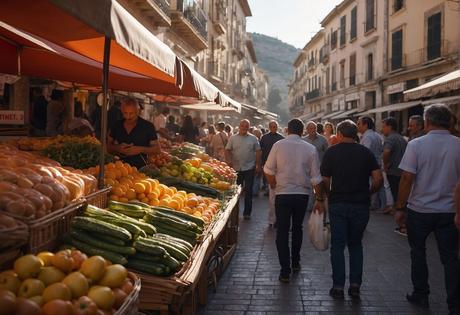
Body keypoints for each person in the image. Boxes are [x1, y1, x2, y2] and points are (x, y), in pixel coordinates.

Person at [394, 104, 460, 314]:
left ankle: (421, 294)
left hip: (420, 210)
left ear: (427, 122)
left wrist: (400, 207)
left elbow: (407, 178)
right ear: (448, 121)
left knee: (418, 252)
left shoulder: (416, 145)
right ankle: (454, 303)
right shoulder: (458, 144)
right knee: (450, 258)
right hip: (449, 211)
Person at [320, 120, 383, 300]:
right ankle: (355, 285)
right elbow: (378, 178)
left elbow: (324, 178)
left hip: (338, 203)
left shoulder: (332, 152)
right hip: (360, 204)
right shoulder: (366, 152)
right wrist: (369, 192)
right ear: (355, 134)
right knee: (356, 245)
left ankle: (338, 286)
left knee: (337, 246)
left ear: (339, 134)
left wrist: (329, 193)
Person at [264, 118, 325, 283]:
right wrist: (320, 198)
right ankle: (296, 262)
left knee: (282, 231)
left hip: (282, 194)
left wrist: (274, 185)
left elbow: (268, 170)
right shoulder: (310, 148)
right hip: (302, 195)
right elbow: (316, 178)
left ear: (287, 130)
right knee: (297, 228)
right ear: (303, 130)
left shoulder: (278, 145)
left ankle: (285, 270)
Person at [108, 97, 160, 168]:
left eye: (131, 113)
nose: (128, 117)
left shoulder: (148, 126)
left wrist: (140, 149)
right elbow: (107, 146)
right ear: (122, 111)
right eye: (125, 113)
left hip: (141, 169)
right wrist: (117, 148)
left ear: (138, 111)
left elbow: (157, 149)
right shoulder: (117, 125)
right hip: (119, 169)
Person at [226, 119, 262, 220]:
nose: (244, 128)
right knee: (235, 192)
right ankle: (234, 213)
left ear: (248, 127)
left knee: (248, 191)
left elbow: (258, 151)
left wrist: (258, 165)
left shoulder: (253, 139)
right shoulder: (233, 138)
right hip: (236, 168)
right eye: (242, 125)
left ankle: (247, 213)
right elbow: (227, 149)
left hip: (249, 168)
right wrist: (228, 161)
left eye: (246, 126)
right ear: (239, 126)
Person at [357, 116, 386, 211]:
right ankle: (381, 205)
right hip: (377, 163)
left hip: (370, 165)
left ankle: (375, 204)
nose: (358, 126)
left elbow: (366, 152)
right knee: (379, 185)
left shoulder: (367, 137)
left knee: (372, 185)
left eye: (359, 124)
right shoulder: (376, 135)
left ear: (365, 125)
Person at [260, 121, 284, 227]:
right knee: (272, 194)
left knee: (275, 194)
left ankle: (277, 219)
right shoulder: (264, 138)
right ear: (269, 127)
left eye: (275, 126)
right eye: (272, 126)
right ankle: (271, 219)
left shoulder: (282, 138)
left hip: (278, 168)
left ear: (277, 127)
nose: (274, 128)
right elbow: (261, 151)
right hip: (267, 166)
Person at [382, 117, 407, 213]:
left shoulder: (390, 138)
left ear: (390, 127)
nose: (382, 129)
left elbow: (386, 152)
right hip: (402, 171)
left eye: (384, 127)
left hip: (393, 171)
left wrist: (386, 164)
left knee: (396, 194)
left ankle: (400, 218)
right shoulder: (401, 138)